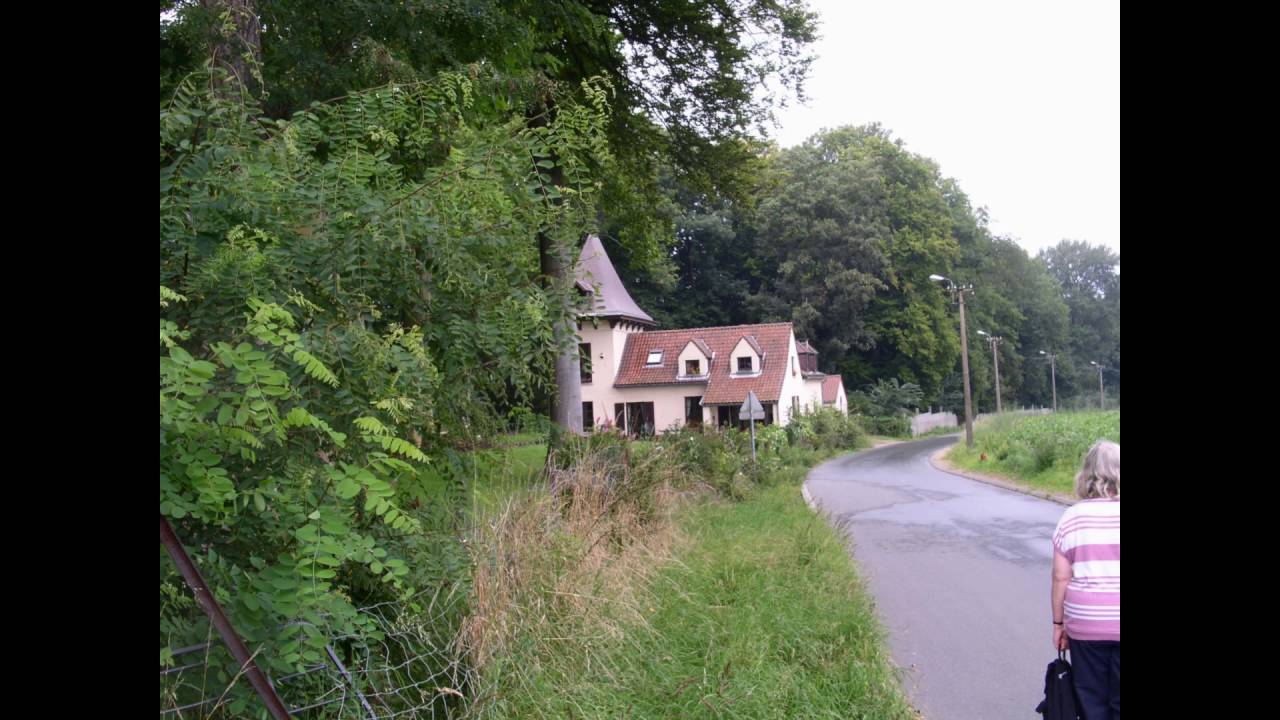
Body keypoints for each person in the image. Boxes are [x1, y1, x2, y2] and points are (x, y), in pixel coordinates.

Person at [1051, 440, 1120, 719]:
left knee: (1091, 701)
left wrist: (1058, 624)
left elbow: (1060, 578)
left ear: (1086, 475)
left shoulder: (1071, 518)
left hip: (1086, 624)